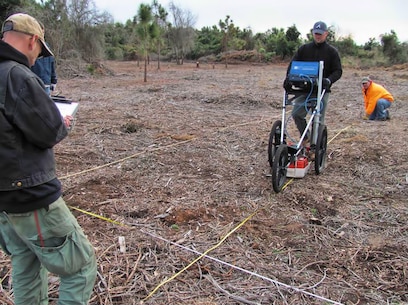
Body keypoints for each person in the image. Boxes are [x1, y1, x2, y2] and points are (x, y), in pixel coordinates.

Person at [0, 13, 96, 305]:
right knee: (80, 266)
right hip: (30, 196)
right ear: (32, 41)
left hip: (4, 201)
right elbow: (48, 131)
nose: (36, 57)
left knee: (26, 263)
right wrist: (62, 123)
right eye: (39, 50)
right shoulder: (17, 75)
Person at [283, 21, 342, 145]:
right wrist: (288, 79)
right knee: (296, 113)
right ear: (312, 33)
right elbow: (293, 65)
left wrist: (329, 80)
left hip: (322, 90)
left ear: (326, 34)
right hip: (305, 89)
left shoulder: (332, 52)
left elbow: (338, 71)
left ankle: (315, 146)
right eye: (316, 33)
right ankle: (306, 138)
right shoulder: (304, 49)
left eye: (320, 34)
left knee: (318, 119)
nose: (318, 36)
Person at [31, 25, 57, 96]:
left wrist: (53, 80)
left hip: (46, 83)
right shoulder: (31, 47)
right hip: (35, 84)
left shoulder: (47, 47)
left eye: (43, 32)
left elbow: (51, 64)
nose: (42, 34)